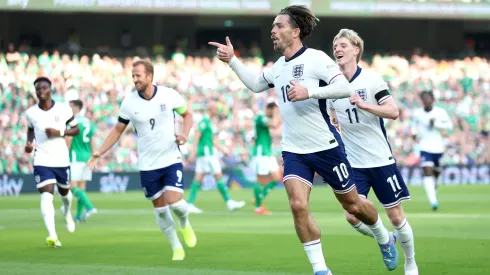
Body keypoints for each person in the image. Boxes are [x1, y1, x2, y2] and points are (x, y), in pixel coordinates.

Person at [209, 5, 398, 275]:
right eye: (273, 27)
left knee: (353, 205)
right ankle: (321, 270)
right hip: (294, 149)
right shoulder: (277, 68)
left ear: (296, 31)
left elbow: (344, 87)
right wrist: (233, 61)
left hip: (326, 147)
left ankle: (383, 237)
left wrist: (309, 91)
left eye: (279, 26)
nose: (273, 31)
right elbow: (254, 84)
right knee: (298, 205)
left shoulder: (316, 59)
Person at [328, 28, 418, 275]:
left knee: (397, 216)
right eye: (335, 45)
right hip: (355, 163)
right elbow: (333, 116)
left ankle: (411, 264)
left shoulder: (372, 81)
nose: (338, 49)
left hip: (380, 159)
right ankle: (385, 238)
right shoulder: (332, 87)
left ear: (356, 50)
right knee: (352, 216)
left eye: (343, 45)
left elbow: (393, 111)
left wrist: (364, 104)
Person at [88, 60, 197, 261]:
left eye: (138, 75)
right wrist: (99, 152)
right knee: (162, 211)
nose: (135, 79)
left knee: (175, 203)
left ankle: (185, 223)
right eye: (133, 76)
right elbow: (117, 130)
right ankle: (176, 247)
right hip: (148, 164)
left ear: (149, 76)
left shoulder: (168, 94)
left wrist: (184, 133)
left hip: (171, 158)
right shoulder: (129, 103)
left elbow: (187, 115)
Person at [25, 76, 80, 248]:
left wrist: (59, 132)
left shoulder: (64, 109)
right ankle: (53, 236)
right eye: (38, 89)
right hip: (41, 159)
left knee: (65, 194)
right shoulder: (31, 112)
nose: (41, 91)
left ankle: (67, 213)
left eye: (44, 88)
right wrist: (29, 143)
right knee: (46, 194)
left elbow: (76, 130)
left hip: (61, 159)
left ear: (50, 89)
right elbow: (30, 130)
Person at [186, 102, 246, 214]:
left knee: (199, 177)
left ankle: (189, 204)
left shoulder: (208, 121)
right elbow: (197, 134)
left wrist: (222, 149)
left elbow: (211, 139)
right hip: (206, 153)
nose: (218, 110)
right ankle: (229, 202)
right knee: (217, 175)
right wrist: (193, 151)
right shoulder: (204, 121)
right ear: (211, 109)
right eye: (216, 108)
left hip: (205, 153)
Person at [412, 91, 453, 210]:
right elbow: (414, 125)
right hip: (425, 146)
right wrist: (414, 134)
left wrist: (436, 124)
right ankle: (433, 201)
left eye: (428, 99)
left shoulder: (440, 112)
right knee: (427, 170)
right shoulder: (418, 113)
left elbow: (449, 126)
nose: (426, 101)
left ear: (433, 99)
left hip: (438, 146)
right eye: (423, 99)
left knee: (436, 172)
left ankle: (434, 184)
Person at [65, 99, 98, 223]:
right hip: (87, 157)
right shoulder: (89, 122)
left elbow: (69, 139)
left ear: (76, 108)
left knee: (72, 186)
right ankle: (78, 217)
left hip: (75, 156)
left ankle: (89, 207)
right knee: (81, 187)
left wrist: (64, 155)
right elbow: (92, 140)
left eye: (70, 106)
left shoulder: (72, 122)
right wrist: (95, 156)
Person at [250, 102, 282, 215]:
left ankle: (259, 196)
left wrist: (276, 114)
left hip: (268, 153)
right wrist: (276, 113)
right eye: (273, 111)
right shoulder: (260, 117)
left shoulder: (266, 119)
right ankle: (258, 208)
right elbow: (274, 124)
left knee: (276, 177)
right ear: (269, 109)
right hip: (261, 153)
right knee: (260, 179)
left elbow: (276, 125)